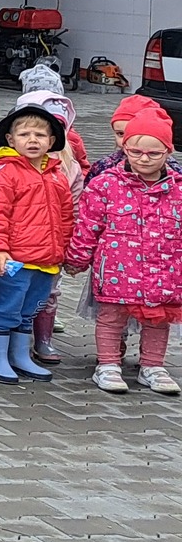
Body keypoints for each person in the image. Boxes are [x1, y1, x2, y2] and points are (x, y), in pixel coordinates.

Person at [65, 105, 182, 396]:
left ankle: (152, 366)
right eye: (136, 151)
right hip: (117, 269)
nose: (144, 158)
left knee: (158, 320)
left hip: (164, 271)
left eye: (153, 153)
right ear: (125, 149)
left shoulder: (178, 190)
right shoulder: (105, 185)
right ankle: (108, 363)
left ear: (168, 152)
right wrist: (77, 258)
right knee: (111, 318)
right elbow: (88, 227)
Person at [0, 102, 75, 385]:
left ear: (52, 140)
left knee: (30, 308)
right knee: (6, 306)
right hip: (15, 259)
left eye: (40, 135)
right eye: (24, 134)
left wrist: (65, 251)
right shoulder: (4, 171)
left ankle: (20, 355)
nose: (32, 140)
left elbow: (66, 216)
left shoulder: (57, 174)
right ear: (11, 140)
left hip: (47, 260)